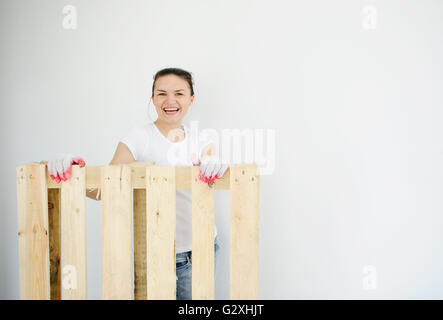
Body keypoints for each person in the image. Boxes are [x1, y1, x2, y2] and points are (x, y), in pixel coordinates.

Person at [46, 67, 228, 300]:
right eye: (161, 93)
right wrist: (73, 172)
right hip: (156, 252)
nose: (170, 100)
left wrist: (216, 165)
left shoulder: (202, 140)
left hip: (202, 249)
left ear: (191, 99)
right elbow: (103, 189)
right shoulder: (139, 137)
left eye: (179, 94)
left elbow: (214, 174)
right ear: (153, 98)